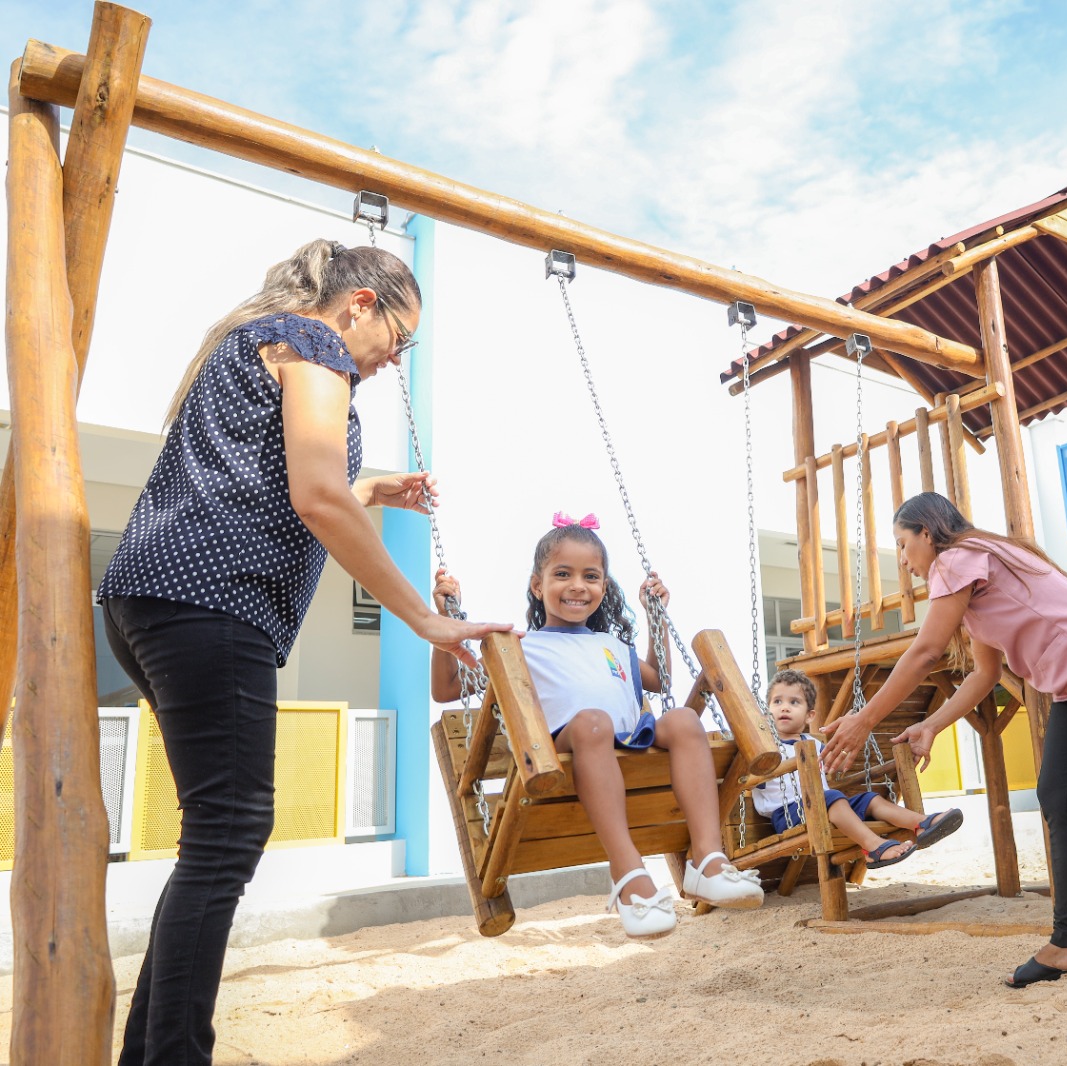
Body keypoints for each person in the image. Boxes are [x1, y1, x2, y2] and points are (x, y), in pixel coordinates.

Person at [97, 239, 516, 1066]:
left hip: (158, 597)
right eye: (401, 338)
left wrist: (374, 489)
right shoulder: (316, 342)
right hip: (211, 600)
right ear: (361, 305)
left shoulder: (264, 340)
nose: (397, 359)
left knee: (217, 834)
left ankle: (155, 1050)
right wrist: (424, 621)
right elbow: (315, 496)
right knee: (227, 835)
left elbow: (282, 481)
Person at [818, 491, 1067, 986]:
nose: (904, 561)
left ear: (927, 534)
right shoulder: (974, 574)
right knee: (1057, 797)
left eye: (904, 546)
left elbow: (926, 651)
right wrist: (932, 724)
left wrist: (864, 718)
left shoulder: (957, 560)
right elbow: (984, 675)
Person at [431, 513, 765, 938]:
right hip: (568, 751)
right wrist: (444, 621)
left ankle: (707, 859)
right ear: (538, 585)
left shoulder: (613, 645)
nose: (577, 585)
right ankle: (629, 876)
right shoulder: (520, 647)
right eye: (562, 574)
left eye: (591, 576)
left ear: (603, 587)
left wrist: (656, 616)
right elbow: (447, 689)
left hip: (629, 745)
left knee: (682, 719)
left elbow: (659, 679)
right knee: (593, 722)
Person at [753, 669, 963, 868]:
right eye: (777, 701)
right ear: (768, 710)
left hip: (823, 805)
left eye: (794, 702)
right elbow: (753, 776)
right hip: (788, 815)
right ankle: (873, 847)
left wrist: (842, 755)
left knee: (869, 799)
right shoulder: (765, 747)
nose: (784, 707)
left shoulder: (815, 743)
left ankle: (922, 823)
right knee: (830, 797)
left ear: (810, 715)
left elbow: (837, 765)